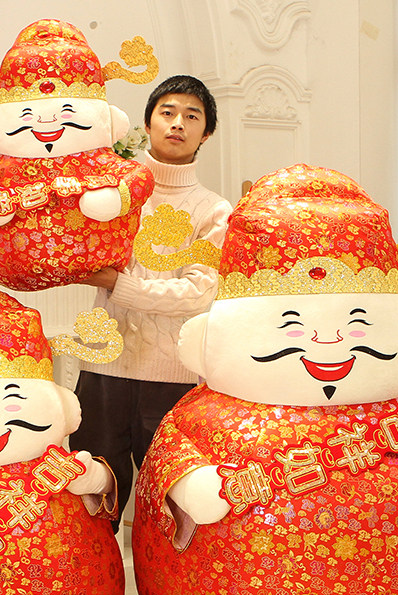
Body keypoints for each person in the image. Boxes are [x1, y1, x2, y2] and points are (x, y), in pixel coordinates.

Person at [70, 74, 233, 533]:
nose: (178, 123)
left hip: (173, 377)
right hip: (103, 367)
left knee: (171, 505)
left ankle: (163, 586)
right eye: (167, 112)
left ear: (206, 133)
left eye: (192, 116)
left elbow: (200, 293)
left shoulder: (214, 210)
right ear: (148, 123)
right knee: (90, 499)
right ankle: (95, 583)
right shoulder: (110, 194)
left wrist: (118, 285)